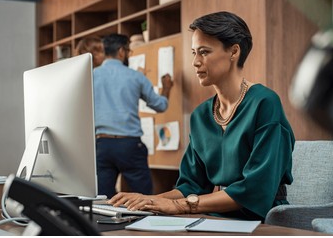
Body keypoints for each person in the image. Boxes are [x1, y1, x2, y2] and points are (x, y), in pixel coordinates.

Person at [108, 11, 295, 221]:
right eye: (194, 52)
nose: (195, 62)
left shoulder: (265, 103)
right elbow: (191, 184)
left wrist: (180, 206)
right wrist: (148, 201)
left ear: (234, 52)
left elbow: (255, 189)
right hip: (217, 215)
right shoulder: (201, 115)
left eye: (204, 52)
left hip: (265, 218)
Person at [93, 33, 173, 198]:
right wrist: (166, 89)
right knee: (142, 198)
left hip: (102, 145)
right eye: (129, 51)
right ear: (121, 51)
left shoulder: (91, 75)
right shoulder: (135, 77)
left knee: (102, 199)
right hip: (129, 145)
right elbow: (160, 105)